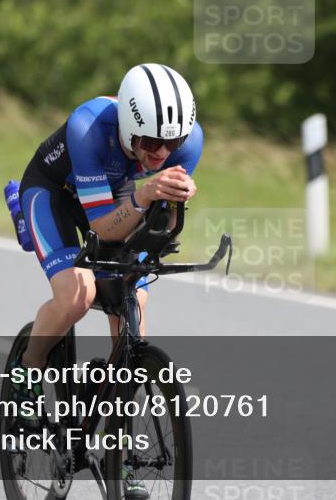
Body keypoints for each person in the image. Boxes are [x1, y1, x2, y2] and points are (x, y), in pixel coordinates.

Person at [12, 63, 202, 498]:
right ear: (130, 126)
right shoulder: (89, 127)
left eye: (170, 143)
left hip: (121, 202)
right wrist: (145, 192)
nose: (161, 153)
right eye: (151, 142)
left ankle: (122, 457)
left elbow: (162, 222)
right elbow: (101, 228)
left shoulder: (188, 142)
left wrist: (169, 205)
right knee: (78, 294)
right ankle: (27, 375)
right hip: (57, 196)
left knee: (134, 307)